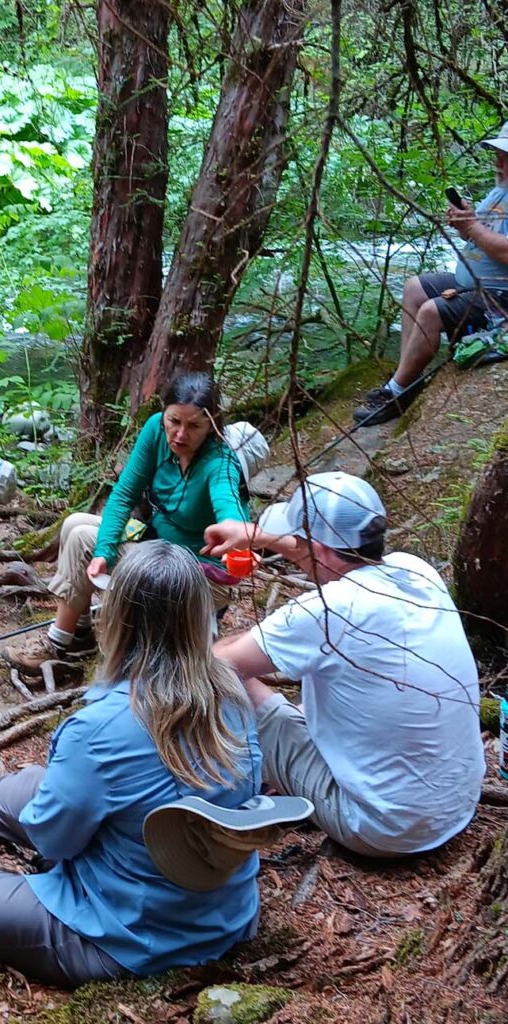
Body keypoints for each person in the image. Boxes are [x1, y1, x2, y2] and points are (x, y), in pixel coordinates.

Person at [0, 542, 263, 987]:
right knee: (36, 784)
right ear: (200, 617)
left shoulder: (98, 728)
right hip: (225, 915)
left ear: (119, 618)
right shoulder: (232, 693)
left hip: (121, 939)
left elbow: (53, 841)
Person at [205, 471, 486, 857]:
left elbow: (218, 666)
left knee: (229, 674)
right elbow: (323, 548)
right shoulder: (415, 570)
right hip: (454, 805)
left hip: (381, 827)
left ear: (316, 547)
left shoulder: (328, 609)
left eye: (300, 541)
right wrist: (262, 537)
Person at [7, 371, 249, 672]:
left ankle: (66, 643)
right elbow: (123, 495)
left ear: (212, 425)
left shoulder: (220, 463)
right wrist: (104, 552)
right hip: (157, 547)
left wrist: (237, 536)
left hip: (198, 576)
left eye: (194, 426)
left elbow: (229, 508)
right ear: (164, 414)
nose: (180, 435)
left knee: (83, 535)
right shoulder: (155, 432)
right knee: (75, 526)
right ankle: (75, 634)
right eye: (174, 421)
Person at [354, 122, 508, 426]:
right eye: (498, 153)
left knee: (430, 312)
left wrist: (472, 227)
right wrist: (466, 220)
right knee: (414, 288)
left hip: (499, 299)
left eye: (505, 156)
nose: (498, 160)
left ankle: (395, 393)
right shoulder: (499, 191)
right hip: (473, 286)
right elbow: (477, 234)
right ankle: (406, 381)